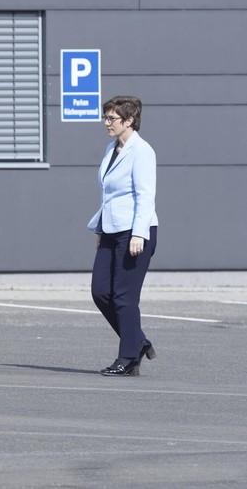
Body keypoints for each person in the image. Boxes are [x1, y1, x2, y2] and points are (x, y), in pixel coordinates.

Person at [88, 96, 159, 376]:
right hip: (110, 229)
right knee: (100, 291)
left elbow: (145, 196)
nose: (106, 123)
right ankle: (138, 341)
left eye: (111, 118)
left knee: (124, 297)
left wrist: (139, 233)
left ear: (129, 121)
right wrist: (100, 228)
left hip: (135, 231)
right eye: (105, 117)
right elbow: (109, 195)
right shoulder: (112, 148)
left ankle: (128, 356)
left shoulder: (142, 151)